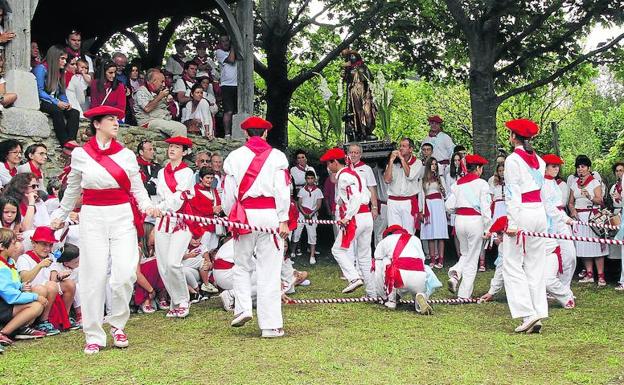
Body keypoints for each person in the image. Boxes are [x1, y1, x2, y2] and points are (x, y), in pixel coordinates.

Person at [50, 105, 159, 354]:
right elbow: (73, 189)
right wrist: (61, 214)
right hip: (93, 217)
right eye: (110, 119)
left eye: (117, 119)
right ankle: (93, 334)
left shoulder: (126, 155)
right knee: (93, 276)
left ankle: (118, 324)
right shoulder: (81, 155)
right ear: (97, 124)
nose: (116, 123)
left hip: (122, 215)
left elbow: (137, 188)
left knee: (124, 274)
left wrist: (147, 205)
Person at [222, 116, 290, 338]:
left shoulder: (234, 157)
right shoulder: (277, 157)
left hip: (244, 216)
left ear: (245, 134)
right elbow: (282, 191)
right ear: (265, 134)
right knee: (269, 269)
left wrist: (230, 214)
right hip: (270, 215)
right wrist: (283, 218)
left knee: (241, 265)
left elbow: (229, 194)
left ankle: (242, 308)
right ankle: (270, 326)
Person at [502, 118, 548, 333]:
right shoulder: (539, 160)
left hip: (523, 213)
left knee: (511, 264)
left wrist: (512, 222)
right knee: (535, 264)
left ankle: (528, 313)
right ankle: (537, 312)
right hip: (539, 213)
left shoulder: (512, 160)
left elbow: (512, 193)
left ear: (513, 137)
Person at [480, 216, 575, 309]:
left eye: (500, 233)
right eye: (497, 234)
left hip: (548, 254)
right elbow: (501, 269)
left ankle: (567, 297)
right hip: (531, 261)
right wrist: (491, 292)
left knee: (548, 281)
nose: (498, 237)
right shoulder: (503, 247)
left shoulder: (526, 233)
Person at [321, 147, 374, 296]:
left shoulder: (343, 177)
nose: (327, 167)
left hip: (356, 218)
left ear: (335, 163)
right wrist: (339, 201)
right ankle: (372, 292)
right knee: (364, 255)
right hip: (366, 216)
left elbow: (355, 197)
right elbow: (365, 194)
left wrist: (347, 216)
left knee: (337, 250)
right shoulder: (355, 173)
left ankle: (353, 277)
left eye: (328, 163)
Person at [153, 136, 195, 319]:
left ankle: (183, 300)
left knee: (173, 262)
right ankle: (175, 301)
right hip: (162, 220)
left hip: (180, 221)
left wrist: (160, 208)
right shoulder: (162, 172)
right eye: (171, 146)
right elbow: (160, 195)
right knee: (163, 265)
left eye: (177, 147)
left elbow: (179, 198)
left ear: (184, 152)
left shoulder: (187, 173)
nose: (172, 150)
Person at [16, 226, 78, 335]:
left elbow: (53, 280)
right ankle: (43, 321)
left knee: (69, 284)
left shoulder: (50, 257)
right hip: (32, 292)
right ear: (33, 243)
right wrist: (39, 266)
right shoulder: (24, 258)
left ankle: (65, 317)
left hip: (49, 291)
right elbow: (24, 279)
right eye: (44, 244)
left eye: (50, 245)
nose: (47, 248)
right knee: (48, 286)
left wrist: (59, 277)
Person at [445, 154, 491, 299]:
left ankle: (455, 275)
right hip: (475, 221)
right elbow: (485, 208)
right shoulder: (482, 184)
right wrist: (488, 227)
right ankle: (464, 294)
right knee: (472, 258)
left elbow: (449, 206)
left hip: (459, 220)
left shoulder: (457, 184)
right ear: (477, 168)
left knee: (465, 254)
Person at [372, 225, 435, 314]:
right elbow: (422, 259)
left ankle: (391, 301)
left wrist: (382, 295)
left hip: (400, 277)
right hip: (419, 276)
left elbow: (377, 264)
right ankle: (421, 296)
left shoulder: (386, 240)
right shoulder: (415, 239)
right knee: (421, 270)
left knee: (385, 261)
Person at [0, 228, 48, 345]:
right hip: (3, 305)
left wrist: (21, 286)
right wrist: (35, 297)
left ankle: (19, 329)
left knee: (38, 300)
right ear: (2, 246)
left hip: (6, 303)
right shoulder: (1, 266)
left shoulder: (10, 262)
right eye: (13, 244)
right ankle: (4, 332)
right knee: (36, 306)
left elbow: (11, 284)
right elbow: (10, 296)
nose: (16, 247)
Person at [32, 45, 80, 152]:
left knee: (74, 112)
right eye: (62, 58)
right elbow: (39, 91)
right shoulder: (41, 69)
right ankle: (64, 142)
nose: (64, 62)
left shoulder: (60, 72)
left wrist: (66, 103)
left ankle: (71, 140)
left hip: (55, 101)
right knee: (57, 111)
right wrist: (56, 102)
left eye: (65, 59)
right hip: (42, 101)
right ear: (54, 58)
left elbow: (62, 93)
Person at [568, 155, 607, 286]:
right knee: (584, 246)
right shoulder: (574, 183)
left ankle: (601, 275)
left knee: (596, 245)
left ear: (589, 168)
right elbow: (570, 203)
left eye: (583, 167)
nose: (580, 169)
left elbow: (600, 200)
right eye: (578, 167)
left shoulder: (595, 182)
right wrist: (573, 211)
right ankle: (589, 274)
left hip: (592, 215)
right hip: (579, 216)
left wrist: (589, 196)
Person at [542, 154, 576, 289]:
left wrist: (565, 218)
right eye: (553, 166)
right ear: (545, 168)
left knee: (570, 255)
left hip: (561, 219)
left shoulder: (555, 183)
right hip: (549, 223)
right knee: (551, 256)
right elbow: (548, 207)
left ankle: (563, 287)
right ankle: (551, 286)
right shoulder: (542, 184)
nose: (556, 169)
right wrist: (564, 218)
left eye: (558, 167)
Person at [384, 138, 423, 235]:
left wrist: (401, 159)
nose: (400, 148)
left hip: (408, 201)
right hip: (393, 201)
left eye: (404, 146)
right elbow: (387, 180)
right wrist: (391, 162)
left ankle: (408, 249)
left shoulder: (417, 162)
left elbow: (409, 175)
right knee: (394, 231)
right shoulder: (393, 163)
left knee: (408, 232)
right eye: (400, 146)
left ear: (411, 149)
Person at [134, 68, 187, 137]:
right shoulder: (141, 91)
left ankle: (179, 147)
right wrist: (160, 96)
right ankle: (176, 147)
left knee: (182, 127)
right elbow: (147, 108)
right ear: (154, 81)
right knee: (176, 129)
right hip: (148, 121)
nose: (164, 84)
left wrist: (170, 102)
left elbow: (174, 114)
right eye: (162, 82)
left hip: (162, 120)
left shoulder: (159, 92)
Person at [341, 49, 376, 141]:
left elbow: (370, 79)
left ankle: (368, 130)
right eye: (350, 56)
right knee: (356, 111)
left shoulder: (363, 67)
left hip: (364, 90)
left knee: (367, 111)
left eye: (354, 56)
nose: (352, 58)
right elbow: (344, 80)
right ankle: (359, 131)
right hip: (354, 90)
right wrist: (345, 70)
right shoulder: (349, 69)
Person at [420, 157, 448, 268]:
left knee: (440, 234)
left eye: (435, 164)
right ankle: (432, 258)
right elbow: (421, 195)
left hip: (438, 206)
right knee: (430, 234)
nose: (434, 166)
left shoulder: (440, 179)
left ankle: (440, 259)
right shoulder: (423, 180)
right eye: (432, 164)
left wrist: (441, 187)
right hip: (428, 206)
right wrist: (421, 209)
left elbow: (446, 195)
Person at [189, 167, 222, 253]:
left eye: (211, 178)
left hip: (215, 227)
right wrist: (213, 210)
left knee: (212, 250)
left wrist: (220, 208)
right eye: (207, 178)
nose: (210, 180)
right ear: (200, 178)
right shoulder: (194, 191)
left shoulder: (213, 190)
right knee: (202, 252)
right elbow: (197, 209)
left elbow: (219, 204)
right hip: (202, 228)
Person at [293, 171, 323, 264]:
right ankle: (293, 251)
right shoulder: (302, 190)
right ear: (306, 179)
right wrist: (304, 213)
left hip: (312, 215)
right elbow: (299, 203)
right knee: (297, 233)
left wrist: (311, 214)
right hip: (302, 214)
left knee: (312, 235)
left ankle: (312, 256)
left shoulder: (318, 191)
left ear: (314, 179)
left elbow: (318, 204)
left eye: (312, 178)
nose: (310, 180)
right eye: (308, 178)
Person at [348, 144, 379, 221]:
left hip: (363, 209)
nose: (353, 155)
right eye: (351, 152)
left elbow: (372, 189)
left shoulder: (367, 169)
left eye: (356, 153)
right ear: (348, 154)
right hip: (347, 209)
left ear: (360, 155)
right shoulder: (344, 169)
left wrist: (374, 207)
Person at [215, 35, 237, 139]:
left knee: (237, 111)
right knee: (228, 111)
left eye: (227, 40)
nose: (225, 43)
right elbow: (231, 60)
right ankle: (227, 135)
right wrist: (234, 45)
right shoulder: (219, 52)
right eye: (223, 41)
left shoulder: (237, 52)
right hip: (227, 85)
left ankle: (237, 133)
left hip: (238, 85)